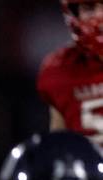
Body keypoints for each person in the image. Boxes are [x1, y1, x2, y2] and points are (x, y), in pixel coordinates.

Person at [39, 1, 103, 142]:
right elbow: (60, 152)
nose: (99, 16)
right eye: (89, 7)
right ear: (74, 12)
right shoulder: (61, 71)